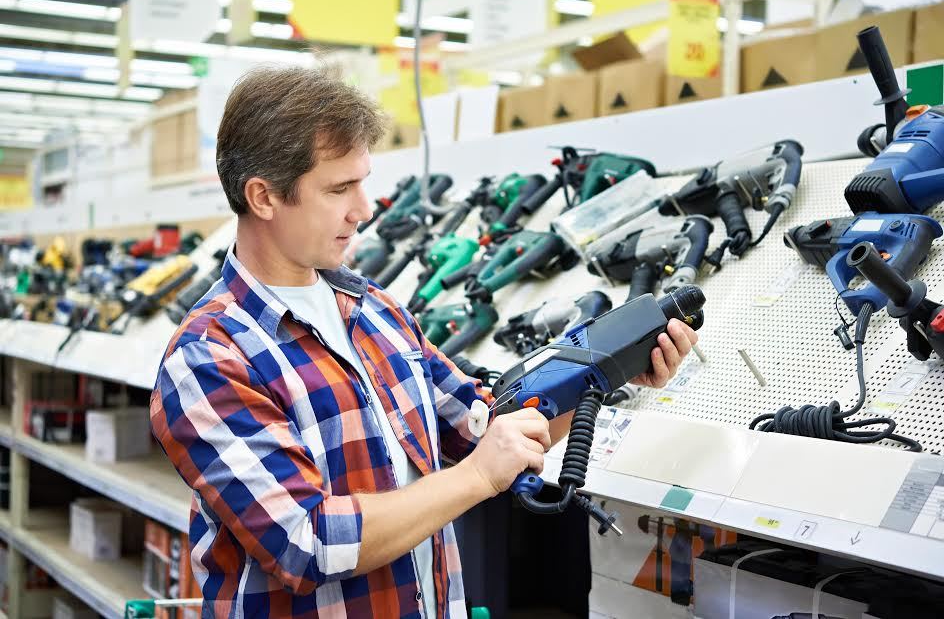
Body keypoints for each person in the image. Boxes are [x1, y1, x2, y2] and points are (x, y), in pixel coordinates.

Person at [150, 64, 699, 619]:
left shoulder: (377, 312)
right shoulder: (210, 355)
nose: (363, 210)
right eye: (339, 189)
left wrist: (607, 375)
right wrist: (477, 476)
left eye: (362, 182)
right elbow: (308, 542)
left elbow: (491, 426)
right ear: (263, 197)